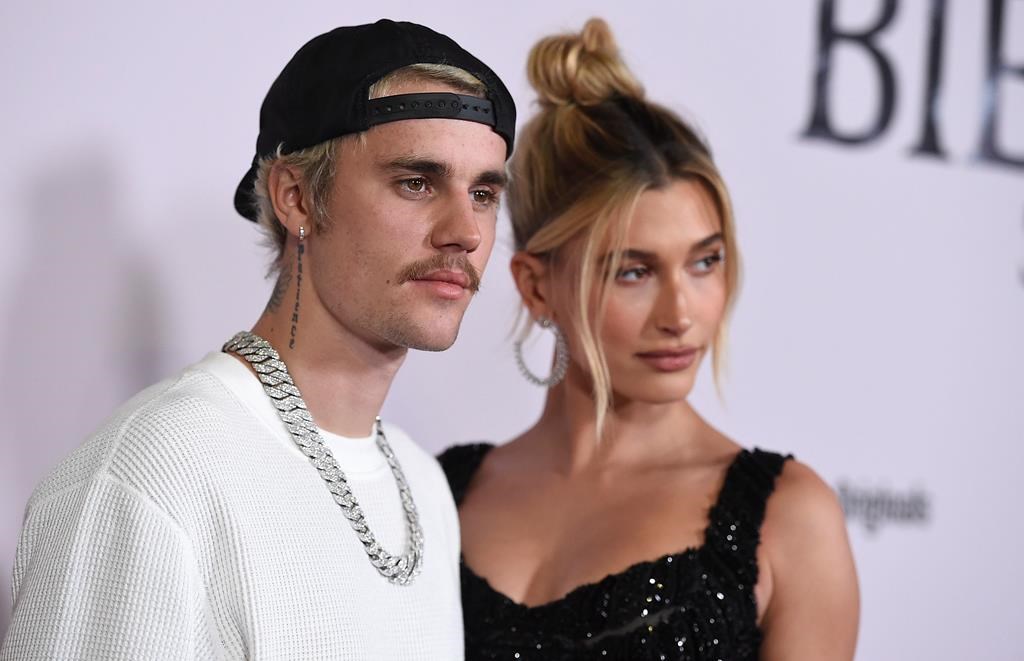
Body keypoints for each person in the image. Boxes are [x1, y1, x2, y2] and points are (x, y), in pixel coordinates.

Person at [1, 19, 514, 660]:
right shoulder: (152, 476)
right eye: (416, 182)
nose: (466, 231)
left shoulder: (423, 484)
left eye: (483, 193)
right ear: (296, 197)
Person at [439, 18, 858, 660]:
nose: (680, 314)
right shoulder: (442, 493)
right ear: (537, 288)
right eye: (633, 272)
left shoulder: (788, 519)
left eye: (705, 262)